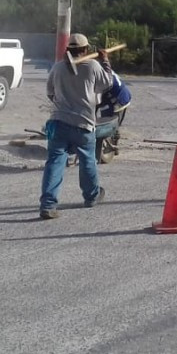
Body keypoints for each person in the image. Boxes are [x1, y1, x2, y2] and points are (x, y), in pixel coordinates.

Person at [39, 33, 115, 219]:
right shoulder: (92, 65)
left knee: (55, 162)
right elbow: (108, 83)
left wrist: (64, 101)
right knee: (88, 159)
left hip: (58, 123)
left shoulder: (57, 68)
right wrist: (105, 60)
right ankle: (91, 196)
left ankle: (48, 205)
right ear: (86, 50)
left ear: (68, 50)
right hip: (83, 124)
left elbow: (50, 93)